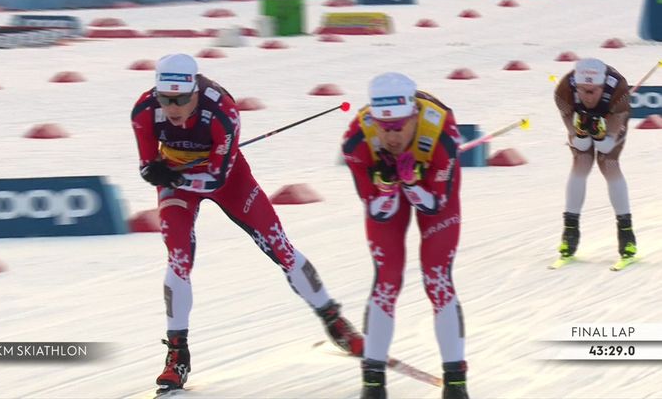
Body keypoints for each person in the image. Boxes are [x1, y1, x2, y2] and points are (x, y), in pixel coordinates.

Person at [130, 53, 363, 395]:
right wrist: (155, 172)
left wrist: (173, 176)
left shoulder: (222, 111)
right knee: (178, 258)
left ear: (195, 91)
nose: (172, 108)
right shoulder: (144, 110)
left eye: (180, 100)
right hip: (178, 180)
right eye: (166, 99)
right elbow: (147, 165)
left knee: (279, 246)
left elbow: (216, 178)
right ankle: (177, 354)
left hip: (226, 179)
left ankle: (333, 319)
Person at [341, 72, 469, 399]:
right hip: (395, 190)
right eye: (383, 127)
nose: (391, 136)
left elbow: (435, 204)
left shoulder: (442, 134)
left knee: (437, 277)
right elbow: (377, 212)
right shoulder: (357, 140)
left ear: (414, 117)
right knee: (387, 279)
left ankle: (456, 382)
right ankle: (373, 381)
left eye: (399, 127)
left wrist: (411, 184)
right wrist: (387, 188)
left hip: (432, 190)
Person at [553, 58, 636, 261]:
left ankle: (626, 231)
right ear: (576, 85)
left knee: (608, 163)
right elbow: (579, 143)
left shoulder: (619, 92)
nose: (588, 97)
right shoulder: (563, 92)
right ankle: (570, 229)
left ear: (602, 85)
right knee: (581, 161)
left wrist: (600, 136)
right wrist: (580, 134)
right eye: (582, 90)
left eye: (593, 91)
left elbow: (607, 146)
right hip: (578, 115)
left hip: (612, 115)